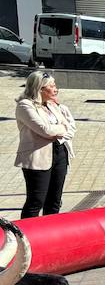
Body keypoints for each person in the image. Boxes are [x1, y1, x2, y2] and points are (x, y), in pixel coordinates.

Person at [15, 70, 76, 218]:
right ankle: (27, 236)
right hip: (38, 158)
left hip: (60, 153)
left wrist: (60, 130)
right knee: (36, 201)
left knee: (54, 200)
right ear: (39, 88)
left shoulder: (52, 105)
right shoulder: (25, 106)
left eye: (55, 85)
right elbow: (45, 130)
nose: (56, 89)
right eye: (51, 86)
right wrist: (60, 129)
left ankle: (51, 235)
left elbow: (70, 126)